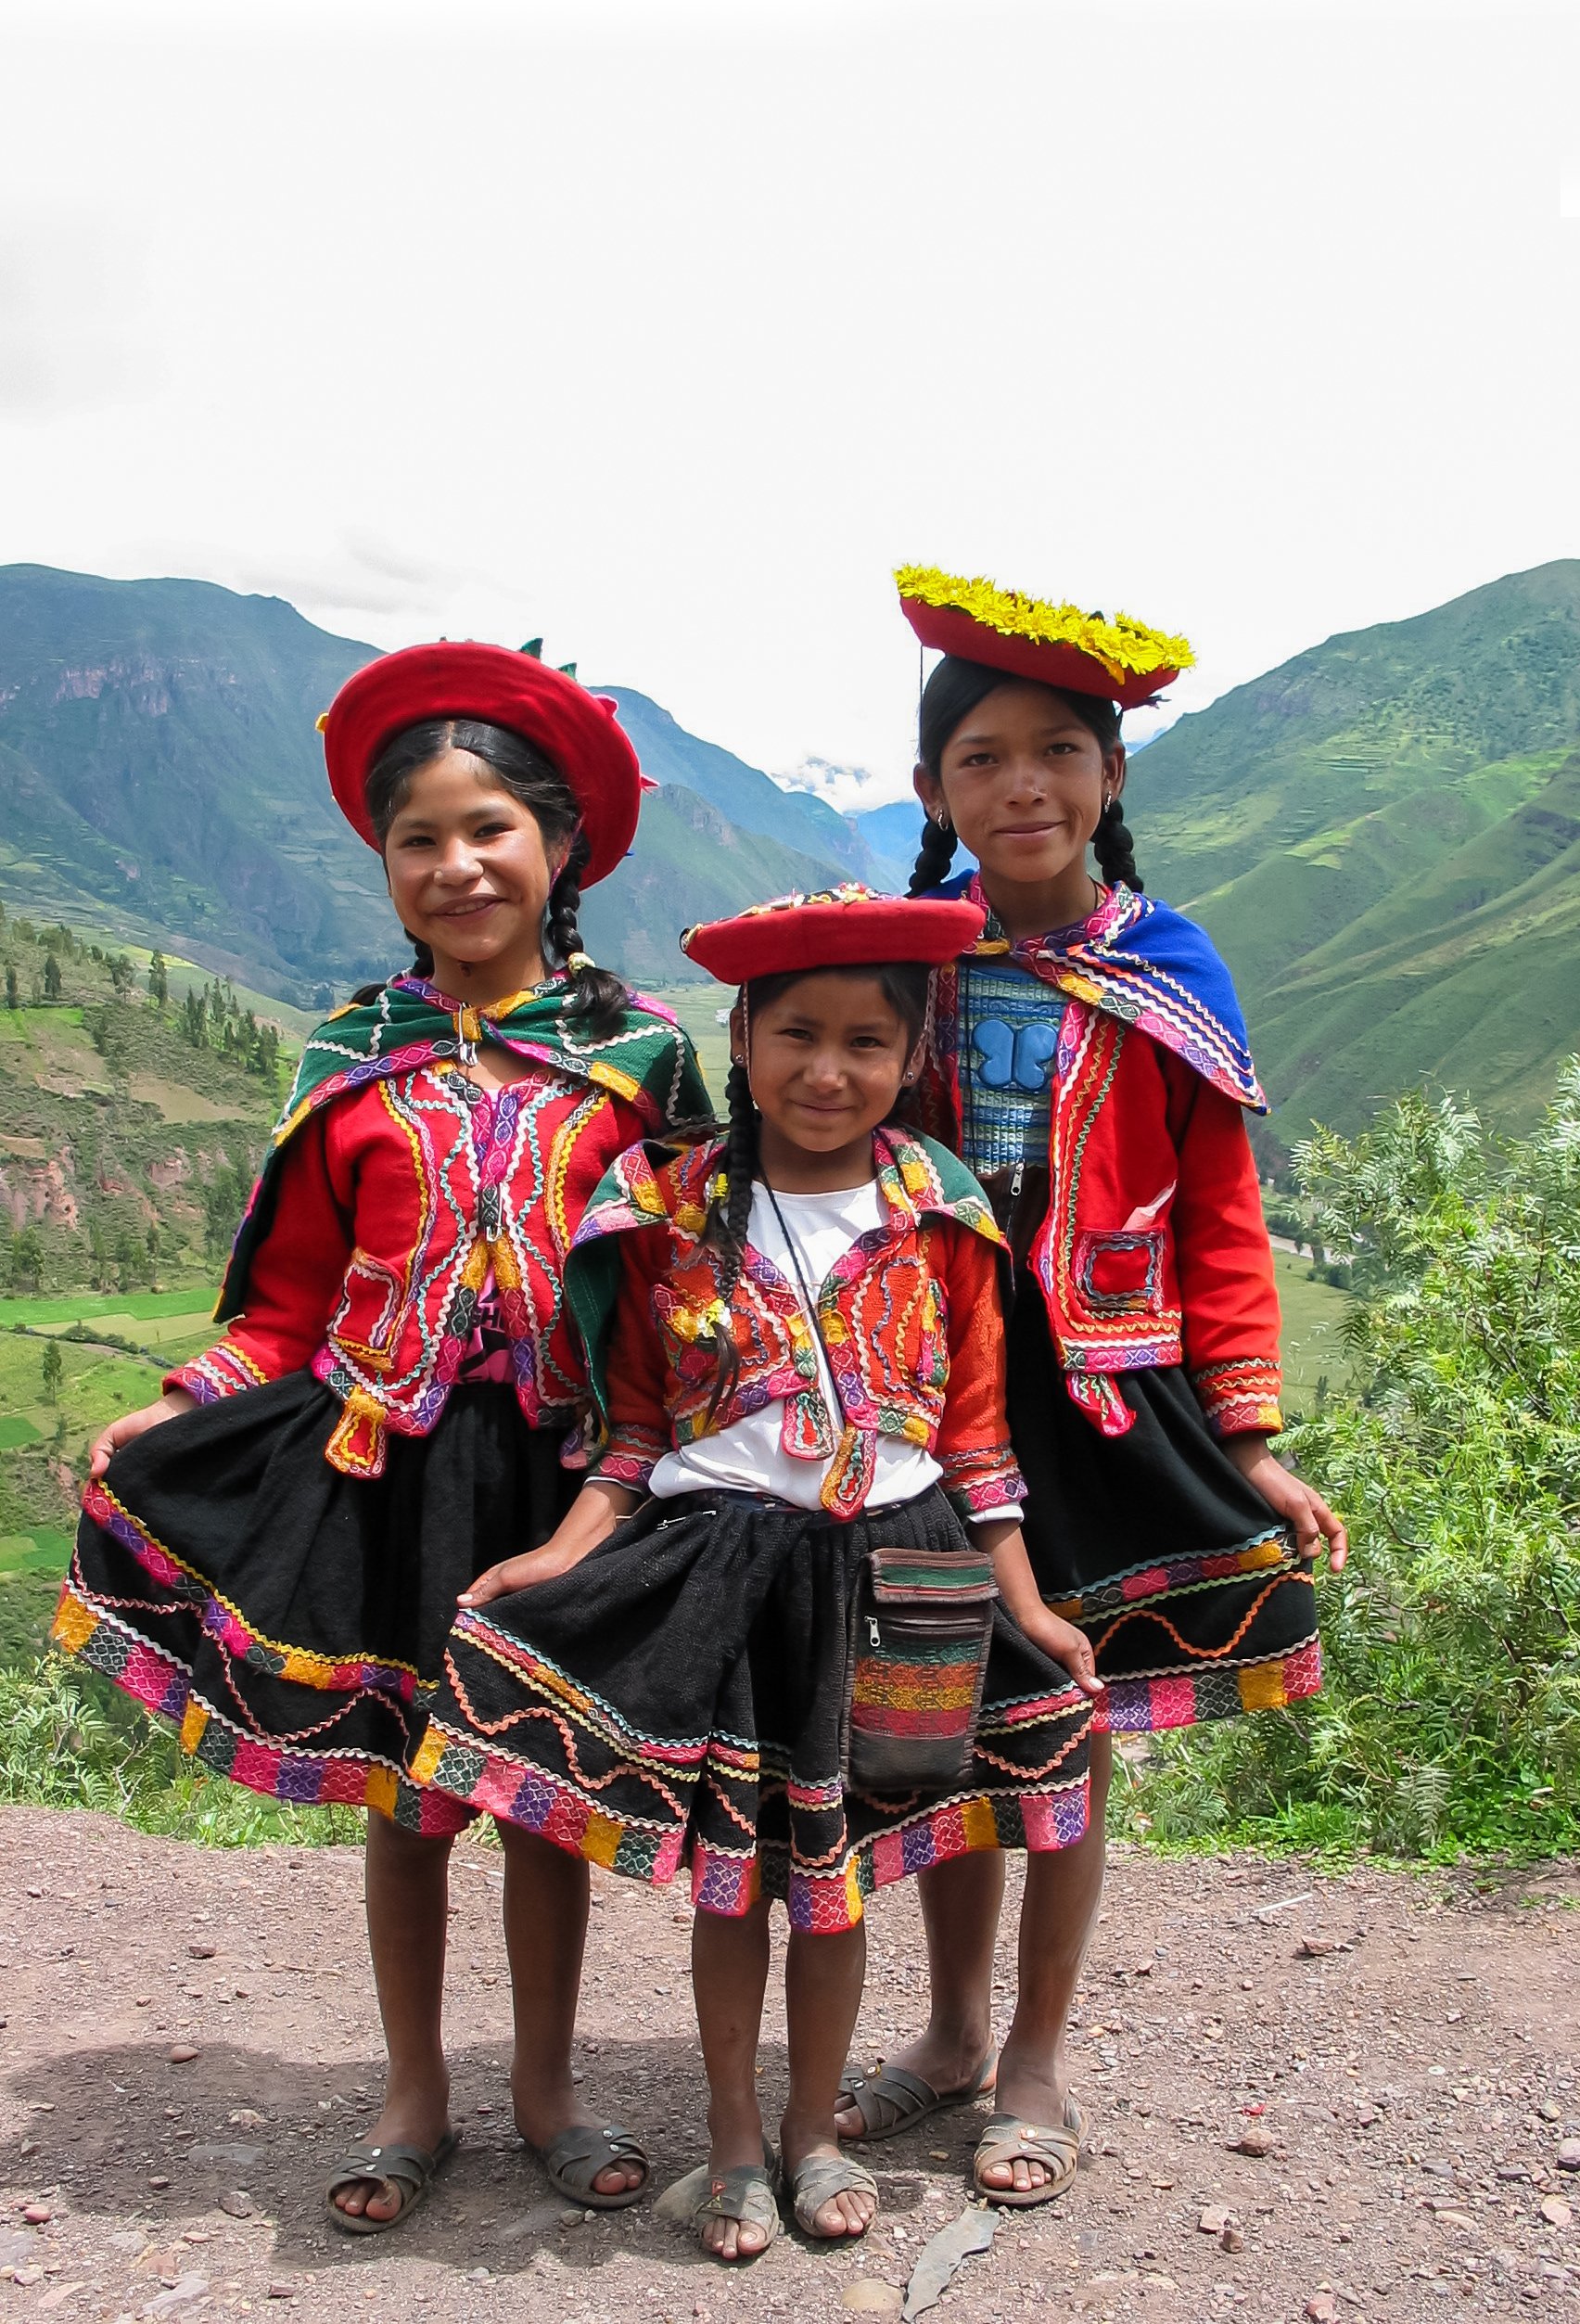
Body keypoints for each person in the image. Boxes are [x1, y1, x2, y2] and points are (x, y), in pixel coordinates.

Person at [53, 642, 709, 2233]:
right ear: (388, 866)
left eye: (489, 828)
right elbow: (284, 1307)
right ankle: (416, 2089)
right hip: (388, 1469)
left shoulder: (642, 1065)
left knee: (539, 1782)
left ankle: (545, 2086)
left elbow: (681, 1291)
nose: (455, 863)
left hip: (569, 1481)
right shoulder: (348, 1059)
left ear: (557, 847)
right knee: (409, 1792)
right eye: (419, 838)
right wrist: (187, 1403)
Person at [415, 885, 1105, 2261]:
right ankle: (734, 2139)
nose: (829, 1069)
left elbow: (974, 1435)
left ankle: (813, 2130)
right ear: (742, 1034)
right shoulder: (668, 1203)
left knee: (835, 1869)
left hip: (896, 1568)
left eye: (866, 1040)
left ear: (913, 1057)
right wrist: (559, 1553)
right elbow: (634, 1431)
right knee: (742, 1874)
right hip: (720, 1571)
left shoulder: (938, 1207)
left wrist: (1023, 1598)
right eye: (797, 1033)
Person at [831, 567, 1349, 2206]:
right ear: (933, 793)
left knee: (1062, 1721)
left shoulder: (1172, 966)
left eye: (1059, 748)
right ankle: (950, 2030)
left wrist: (1249, 1434)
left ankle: (1037, 2050)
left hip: (1110, 1406)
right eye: (983, 757)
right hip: (923, 1402)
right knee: (929, 1715)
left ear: (1112, 778)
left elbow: (1219, 1210)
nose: (1025, 785)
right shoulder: (902, 961)